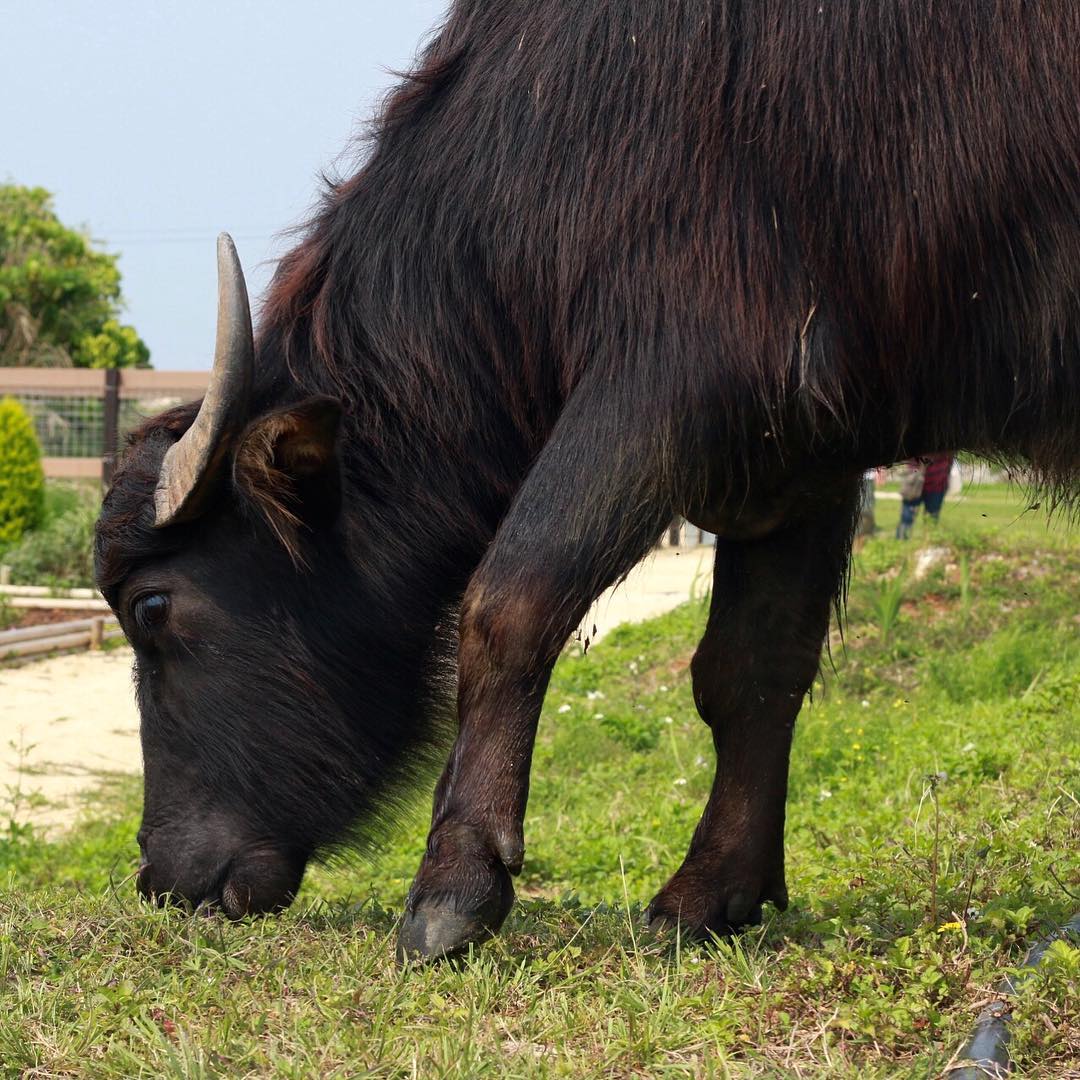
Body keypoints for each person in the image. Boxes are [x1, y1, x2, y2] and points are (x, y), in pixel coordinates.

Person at [895, 453, 954, 539]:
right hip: (914, 483)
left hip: (937, 484)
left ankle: (928, 543)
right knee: (907, 518)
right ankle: (901, 542)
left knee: (931, 520)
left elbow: (950, 459)